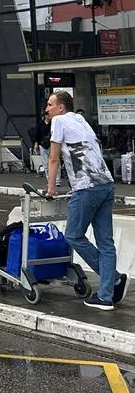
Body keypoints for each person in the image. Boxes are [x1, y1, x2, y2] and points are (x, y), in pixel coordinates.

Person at [45, 91, 128, 309]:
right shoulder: (80, 119)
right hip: (106, 183)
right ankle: (106, 295)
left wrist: (51, 188)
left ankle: (112, 279)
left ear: (61, 107)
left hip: (86, 186)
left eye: (50, 104)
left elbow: (53, 158)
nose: (47, 109)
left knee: (73, 235)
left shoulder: (58, 121)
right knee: (106, 243)